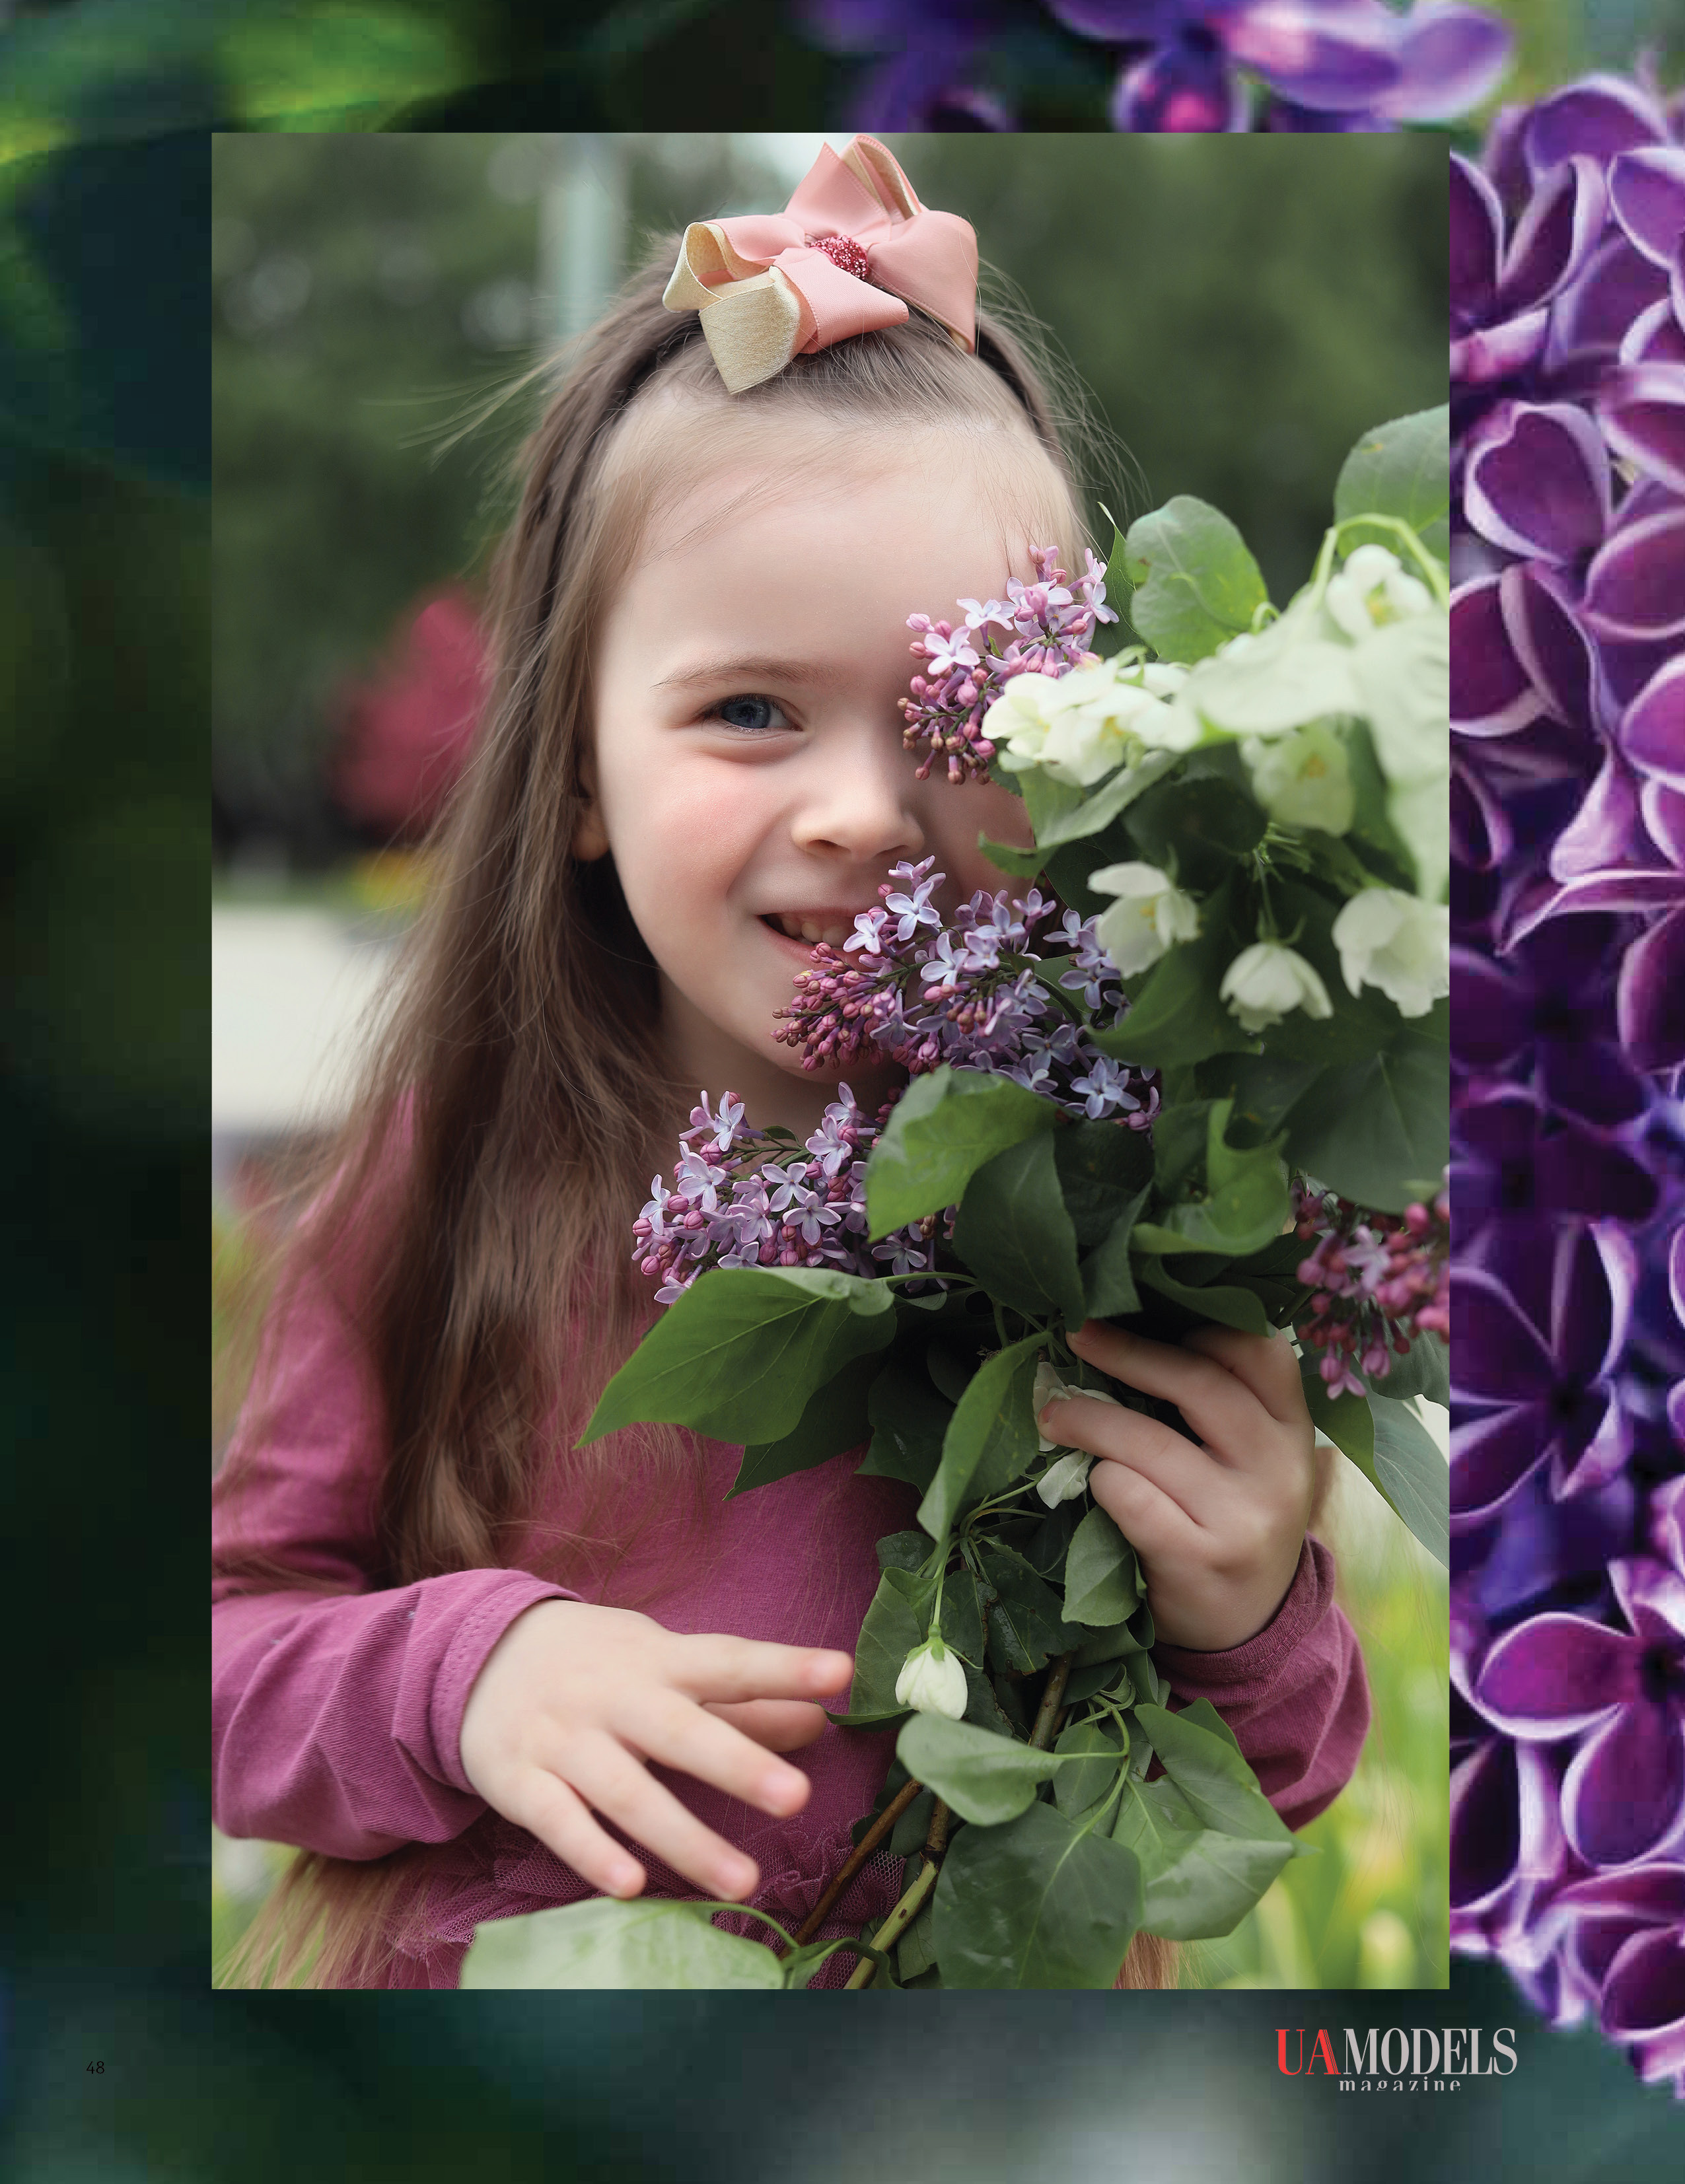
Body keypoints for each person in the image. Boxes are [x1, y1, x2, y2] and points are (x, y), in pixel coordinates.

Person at [213, 137, 1369, 1991]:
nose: (859, 811)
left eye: (965, 721)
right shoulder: (450, 1169)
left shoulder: (1109, 1202)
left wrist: (1251, 1598)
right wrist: (468, 1672)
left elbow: (1260, 1786)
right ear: (576, 774)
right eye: (751, 710)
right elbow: (215, 1650)